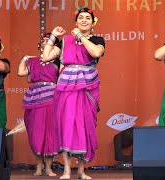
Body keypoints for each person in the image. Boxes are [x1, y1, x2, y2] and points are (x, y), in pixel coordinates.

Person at [42, 7, 105, 179]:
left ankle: (81, 171)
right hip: (66, 88)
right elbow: (46, 57)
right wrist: (53, 37)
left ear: (93, 23)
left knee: (85, 125)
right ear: (76, 22)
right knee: (67, 125)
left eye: (88, 18)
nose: (84, 20)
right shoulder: (66, 41)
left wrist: (80, 36)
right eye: (81, 18)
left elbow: (96, 52)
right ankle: (67, 171)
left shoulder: (97, 39)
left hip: (87, 88)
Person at [17, 33, 60, 176]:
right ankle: (39, 166)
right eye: (44, 41)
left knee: (50, 132)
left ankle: (49, 167)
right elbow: (21, 72)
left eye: (49, 40)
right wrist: (24, 59)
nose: (45, 42)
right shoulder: (33, 61)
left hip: (52, 98)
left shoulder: (58, 61)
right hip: (34, 99)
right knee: (36, 132)